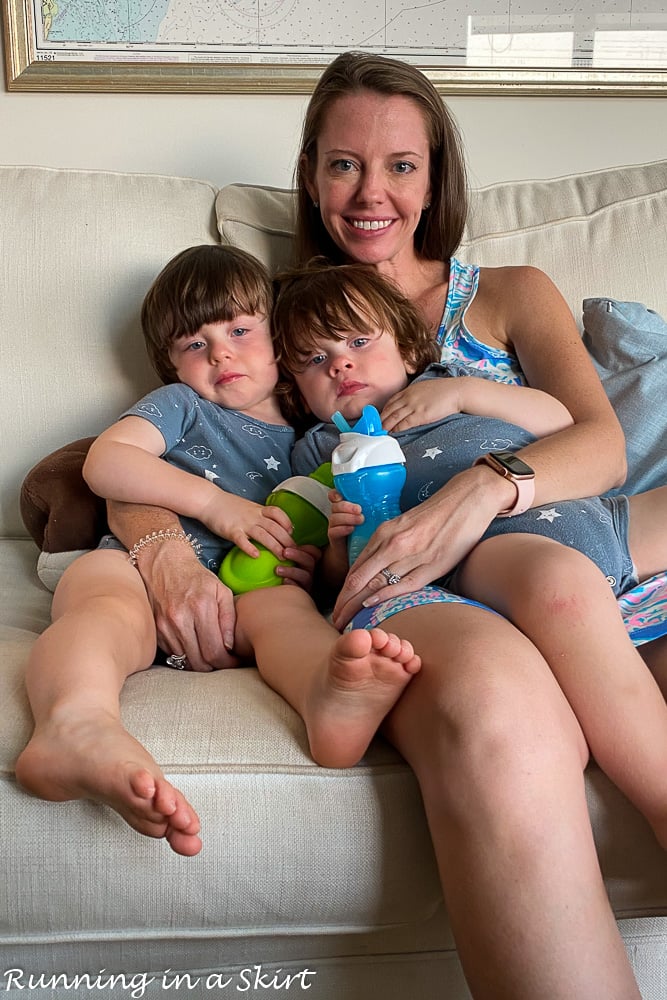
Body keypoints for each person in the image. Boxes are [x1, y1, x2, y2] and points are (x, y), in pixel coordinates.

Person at [103, 52, 654, 999]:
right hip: (410, 584)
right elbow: (162, 447)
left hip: (547, 532)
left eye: (401, 164)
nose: (371, 193)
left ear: (436, 175)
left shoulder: (511, 290)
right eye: (342, 164)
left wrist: (478, 490)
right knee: (500, 714)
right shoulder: (276, 318)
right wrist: (160, 547)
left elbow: (595, 442)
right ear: (311, 175)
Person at [15, 244, 422, 858]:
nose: (220, 352)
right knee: (101, 602)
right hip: (137, 565)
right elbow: (107, 462)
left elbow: (318, 526)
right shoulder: (183, 407)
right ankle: (73, 723)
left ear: (279, 343)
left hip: (246, 596)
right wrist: (215, 506)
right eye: (193, 344)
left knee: (285, 609)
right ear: (171, 365)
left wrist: (315, 562)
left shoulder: (315, 442)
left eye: (238, 329)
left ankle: (325, 697)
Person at [270, 257, 667, 850]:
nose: (341, 363)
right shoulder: (319, 450)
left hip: (593, 514)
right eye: (314, 359)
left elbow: (562, 419)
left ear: (407, 349)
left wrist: (462, 394)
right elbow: (342, 576)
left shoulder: (450, 382)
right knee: (557, 583)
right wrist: (334, 547)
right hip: (494, 550)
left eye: (357, 340)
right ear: (295, 390)